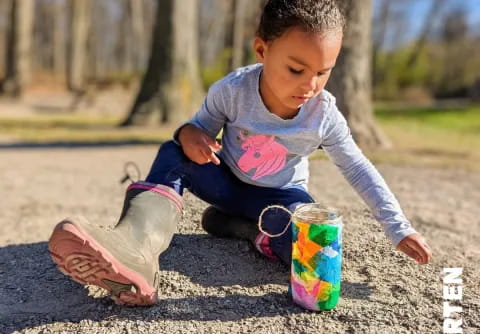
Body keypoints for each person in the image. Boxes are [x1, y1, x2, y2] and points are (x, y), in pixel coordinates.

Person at [48, 0, 432, 306]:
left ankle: (245, 229)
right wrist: (188, 134)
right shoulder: (233, 90)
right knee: (173, 152)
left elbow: (358, 168)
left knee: (310, 249)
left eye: (323, 71)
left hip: (280, 199)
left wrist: (399, 228)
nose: (310, 85)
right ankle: (136, 248)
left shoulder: (324, 115)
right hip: (224, 181)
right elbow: (194, 131)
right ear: (263, 50)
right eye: (296, 69)